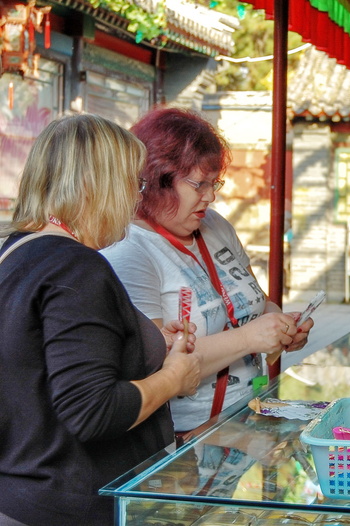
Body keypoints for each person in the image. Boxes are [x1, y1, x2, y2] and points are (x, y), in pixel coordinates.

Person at [0, 114, 202, 526]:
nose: (135, 198)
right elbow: (92, 411)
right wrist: (175, 378)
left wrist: (146, 341)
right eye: (134, 183)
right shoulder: (77, 267)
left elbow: (40, 363)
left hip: (20, 495)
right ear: (97, 186)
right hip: (69, 504)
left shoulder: (17, 251)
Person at [101, 107, 313, 439]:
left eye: (214, 183)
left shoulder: (215, 226)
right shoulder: (130, 249)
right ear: (157, 181)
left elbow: (257, 303)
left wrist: (282, 327)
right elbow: (155, 362)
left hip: (243, 422)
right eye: (199, 184)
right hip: (183, 435)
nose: (210, 197)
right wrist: (249, 338)